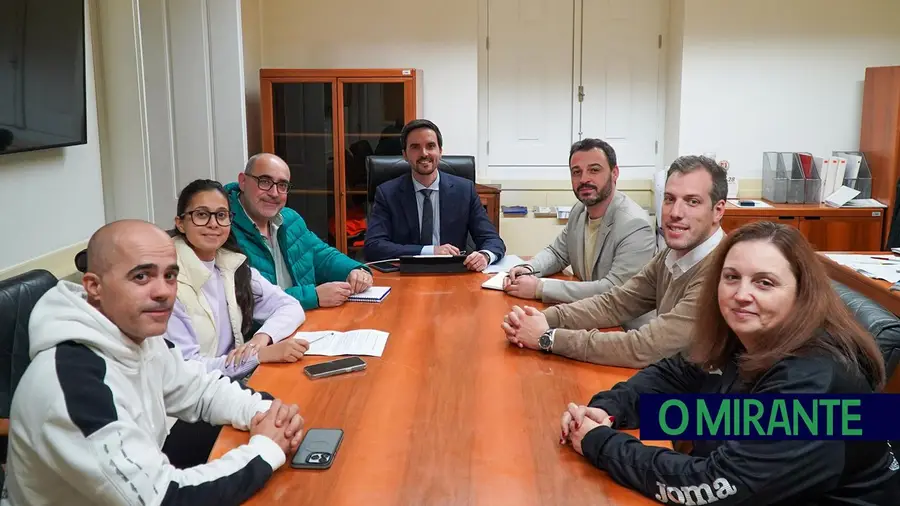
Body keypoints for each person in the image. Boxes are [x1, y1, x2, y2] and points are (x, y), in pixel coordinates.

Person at [558, 221, 900, 505]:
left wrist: (599, 442)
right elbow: (675, 373)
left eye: (764, 282)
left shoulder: (815, 381)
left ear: (801, 294)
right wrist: (609, 409)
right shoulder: (748, 332)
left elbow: (712, 487)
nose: (741, 294)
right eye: (732, 277)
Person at [2, 220, 304, 505]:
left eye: (170, 275)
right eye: (141, 276)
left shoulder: (137, 335)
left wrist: (262, 413)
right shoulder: (71, 387)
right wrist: (266, 449)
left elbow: (199, 391)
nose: (163, 291)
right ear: (94, 286)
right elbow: (165, 498)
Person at [501, 155, 727, 368]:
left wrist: (548, 337)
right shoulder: (674, 253)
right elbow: (616, 302)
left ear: (718, 211)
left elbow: (644, 347)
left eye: (692, 201)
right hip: (665, 378)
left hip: (705, 404)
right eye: (669, 199)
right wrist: (542, 318)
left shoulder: (720, 272)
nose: (676, 212)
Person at [168, 179, 309, 380]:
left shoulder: (230, 264)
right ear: (180, 223)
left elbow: (290, 306)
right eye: (201, 215)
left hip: (230, 384)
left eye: (221, 215)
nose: (213, 223)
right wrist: (258, 356)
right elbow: (185, 369)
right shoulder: (167, 281)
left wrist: (260, 340)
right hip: (194, 400)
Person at [503, 138, 655, 305]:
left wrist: (540, 288)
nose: (584, 179)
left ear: (615, 173)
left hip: (624, 326)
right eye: (576, 172)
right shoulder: (579, 210)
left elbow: (614, 291)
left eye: (594, 170)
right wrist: (529, 268)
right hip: (586, 313)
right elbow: (558, 253)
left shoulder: (635, 225)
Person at [226, 153, 373, 310]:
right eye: (265, 181)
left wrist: (354, 270)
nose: (274, 193)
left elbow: (321, 255)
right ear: (243, 181)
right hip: (260, 332)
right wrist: (313, 296)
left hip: (304, 321)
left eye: (282, 185)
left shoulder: (289, 219)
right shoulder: (224, 229)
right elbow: (247, 301)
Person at [363, 119, 506, 271]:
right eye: (415, 147)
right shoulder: (387, 193)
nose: (424, 153)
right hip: (406, 275)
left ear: (440, 151)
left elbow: (492, 240)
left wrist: (485, 255)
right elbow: (374, 246)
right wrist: (431, 251)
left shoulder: (464, 190)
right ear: (405, 154)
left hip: (452, 274)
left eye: (430, 146)